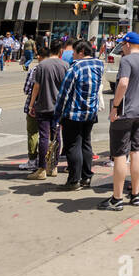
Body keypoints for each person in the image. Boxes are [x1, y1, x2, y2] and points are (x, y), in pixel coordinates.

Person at [101, 33, 139, 210]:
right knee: (136, 151)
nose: (122, 48)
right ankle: (135, 194)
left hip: (124, 113)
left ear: (128, 44)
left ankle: (117, 198)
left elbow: (123, 83)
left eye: (123, 45)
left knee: (119, 155)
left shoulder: (126, 60)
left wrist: (115, 106)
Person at [56, 40, 103, 190]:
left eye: (75, 52)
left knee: (73, 145)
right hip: (91, 112)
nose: (73, 55)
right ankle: (86, 177)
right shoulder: (99, 65)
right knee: (86, 143)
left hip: (74, 113)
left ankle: (74, 180)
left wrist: (57, 116)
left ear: (81, 52)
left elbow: (64, 94)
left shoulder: (74, 68)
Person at [24, 43, 67, 180]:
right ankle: (53, 167)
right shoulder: (65, 65)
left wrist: (31, 106)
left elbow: (36, 87)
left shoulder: (42, 66)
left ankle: (42, 168)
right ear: (60, 51)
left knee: (43, 137)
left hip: (43, 106)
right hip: (58, 107)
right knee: (56, 136)